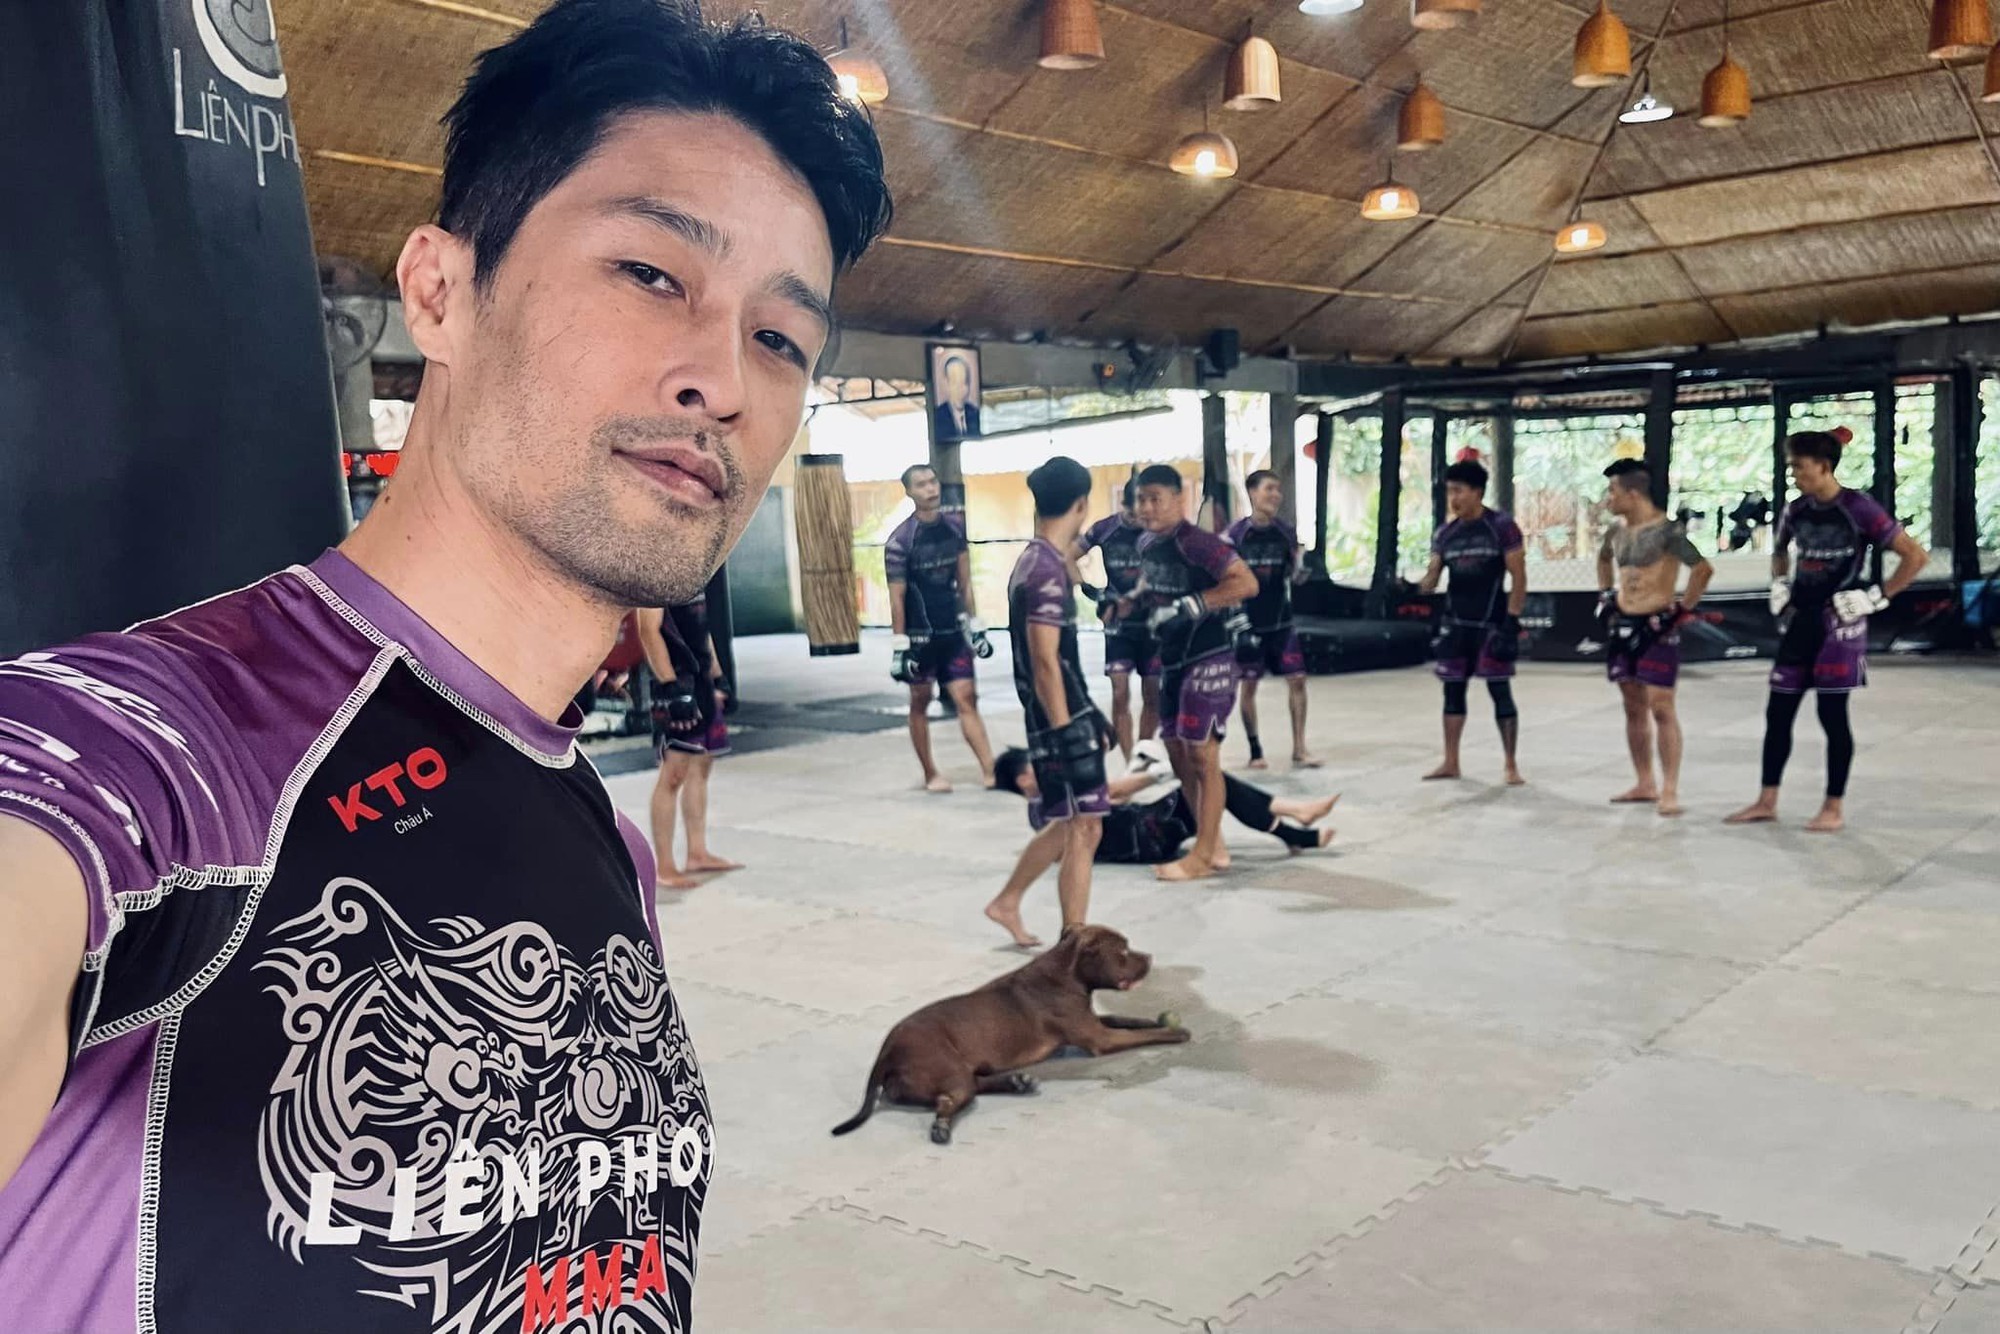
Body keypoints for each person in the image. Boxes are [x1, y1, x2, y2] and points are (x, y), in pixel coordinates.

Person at [0, 3, 890, 1330]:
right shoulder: (154, 752)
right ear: (439, 294)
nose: (722, 379)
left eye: (780, 338)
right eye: (652, 273)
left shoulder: (595, 831)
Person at [1725, 429, 1929, 833]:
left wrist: (1877, 597)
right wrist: (1779, 583)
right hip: (1801, 619)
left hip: (1840, 623)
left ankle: (1833, 806)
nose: (1794, 474)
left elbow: (1915, 556)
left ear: (1823, 466)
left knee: (1832, 714)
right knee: (1778, 712)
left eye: (1799, 467)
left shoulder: (1859, 508)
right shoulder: (1796, 510)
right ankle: (1766, 800)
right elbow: (1780, 550)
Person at [986, 747, 1340, 943]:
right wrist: (1162, 772)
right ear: (1025, 779)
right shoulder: (1047, 807)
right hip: (1148, 833)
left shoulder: (1044, 810)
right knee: (1212, 783)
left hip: (1144, 829)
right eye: (1037, 766)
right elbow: (1111, 792)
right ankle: (1297, 822)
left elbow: (1111, 800)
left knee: (1214, 785)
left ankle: (1297, 828)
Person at [985, 456, 1109, 948]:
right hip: (1057, 720)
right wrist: (1066, 732)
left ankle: (1008, 900)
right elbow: (1044, 661)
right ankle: (1074, 943)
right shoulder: (1044, 572)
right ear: (1081, 504)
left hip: (1066, 713)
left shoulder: (1039, 561)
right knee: (1085, 827)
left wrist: (1088, 714)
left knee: (1072, 822)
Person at [1129, 464, 1259, 881]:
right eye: (1140, 499)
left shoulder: (1200, 543)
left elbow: (1246, 583)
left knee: (1203, 755)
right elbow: (1154, 585)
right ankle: (1212, 842)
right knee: (1175, 750)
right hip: (1172, 660)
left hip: (1210, 656)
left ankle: (1201, 857)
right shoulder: (1146, 543)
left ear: (1178, 498)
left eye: (1155, 499)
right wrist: (1128, 602)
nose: (1147, 507)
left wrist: (1195, 605)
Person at [1596, 459, 1715, 818]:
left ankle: (1670, 789)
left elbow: (1702, 569)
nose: (1608, 498)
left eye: (1613, 491)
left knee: (1661, 707)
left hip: (1656, 627)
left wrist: (1681, 611)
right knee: (1632, 707)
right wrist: (1606, 594)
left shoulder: (1668, 532)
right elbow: (1603, 561)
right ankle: (1644, 782)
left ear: (1633, 493)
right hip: (1623, 624)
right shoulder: (1615, 532)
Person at [885, 462, 998, 791]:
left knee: (967, 698)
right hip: (920, 637)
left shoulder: (954, 529)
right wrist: (899, 647)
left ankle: (990, 769)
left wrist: (975, 625)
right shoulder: (900, 541)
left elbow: (965, 583)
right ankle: (930, 772)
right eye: (921, 484)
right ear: (909, 492)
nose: (930, 489)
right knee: (920, 701)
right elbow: (897, 598)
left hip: (952, 631)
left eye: (933, 481)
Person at [1417, 457, 1528, 785]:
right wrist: (1410, 588)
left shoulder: (1501, 526)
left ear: (1477, 492)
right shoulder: (1445, 533)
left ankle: (1511, 765)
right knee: (1452, 692)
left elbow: (1519, 577)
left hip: (1492, 625)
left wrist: (1512, 619)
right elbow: (1432, 578)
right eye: (1449, 491)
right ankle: (1450, 761)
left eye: (1458, 491)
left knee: (1500, 690)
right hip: (1456, 625)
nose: (1453, 498)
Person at [638, 594, 739, 889]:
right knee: (673, 774)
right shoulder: (656, 576)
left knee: (701, 766)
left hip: (702, 681)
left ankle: (697, 853)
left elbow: (702, 630)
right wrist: (671, 686)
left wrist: (718, 677)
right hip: (676, 683)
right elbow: (648, 631)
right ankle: (664, 866)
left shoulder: (695, 576)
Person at [1226, 469, 1319, 770]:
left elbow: (1294, 575)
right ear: (1252, 492)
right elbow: (1225, 581)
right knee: (1249, 687)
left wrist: (1304, 568)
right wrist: (1238, 623)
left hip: (1281, 621)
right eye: (1269, 489)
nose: (1275, 495)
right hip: (1250, 623)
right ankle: (1255, 751)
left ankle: (1300, 749)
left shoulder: (1285, 532)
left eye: (1278, 489)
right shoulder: (1235, 536)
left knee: (1298, 680)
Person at [1074, 478, 1158, 762]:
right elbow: (1066, 557)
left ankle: (1143, 756)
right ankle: (1128, 759)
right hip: (1117, 625)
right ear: (1124, 504)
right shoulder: (1105, 528)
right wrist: (1093, 593)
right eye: (1134, 511)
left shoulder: (1157, 530)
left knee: (1153, 693)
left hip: (1152, 624)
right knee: (1120, 691)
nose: (1139, 517)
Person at [932, 354, 981, 441]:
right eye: (955, 382)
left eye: (964, 382)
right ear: (946, 384)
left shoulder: (975, 413)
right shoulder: (937, 417)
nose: (960, 389)